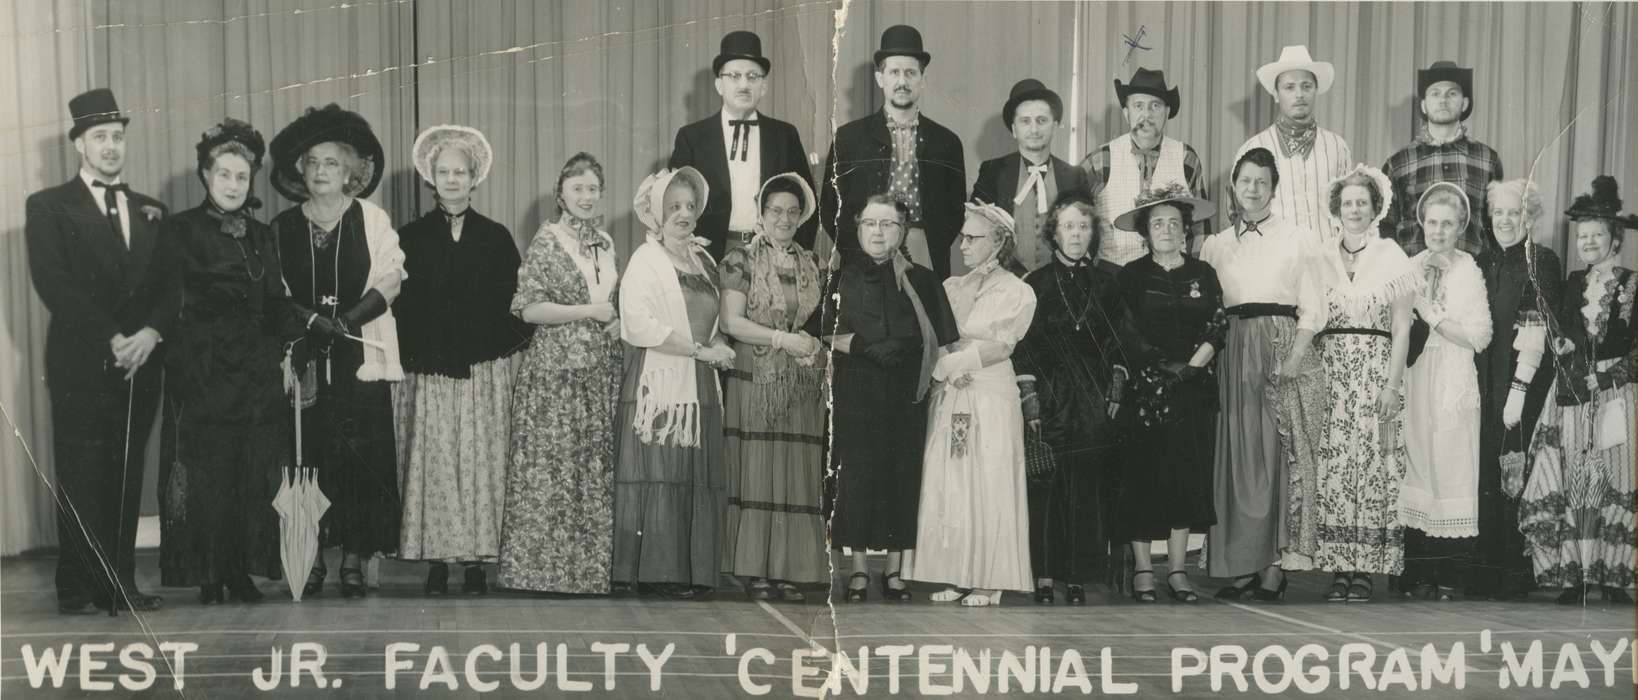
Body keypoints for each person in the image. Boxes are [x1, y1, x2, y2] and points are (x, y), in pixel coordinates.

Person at [26, 88, 171, 614]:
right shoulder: (48, 206)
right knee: (82, 472)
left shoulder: (151, 210)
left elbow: (169, 288)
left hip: (141, 363)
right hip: (82, 361)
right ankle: (78, 584)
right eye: (99, 138)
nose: (111, 147)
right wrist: (113, 337)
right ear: (79, 146)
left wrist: (150, 334)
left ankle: (119, 583)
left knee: (127, 471)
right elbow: (54, 285)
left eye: (117, 137)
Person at [152, 119, 299, 604]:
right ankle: (209, 575)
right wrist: (187, 368)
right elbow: (169, 303)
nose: (233, 185)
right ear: (206, 177)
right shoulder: (180, 230)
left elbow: (275, 299)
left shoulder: (261, 235)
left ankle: (240, 571)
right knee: (208, 477)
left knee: (250, 475)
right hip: (204, 370)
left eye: (242, 177)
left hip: (255, 374)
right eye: (224, 176)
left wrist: (304, 327)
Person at [269, 103, 405, 599]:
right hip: (304, 357)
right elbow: (276, 294)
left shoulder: (371, 218)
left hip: (357, 355)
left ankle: (352, 555)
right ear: (299, 172)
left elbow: (391, 279)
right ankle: (313, 555)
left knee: (357, 458)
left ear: (350, 171)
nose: (321, 171)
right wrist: (310, 322)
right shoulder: (282, 227)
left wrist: (345, 322)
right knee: (309, 457)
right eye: (312, 162)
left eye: (332, 163)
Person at [393, 125, 531, 596]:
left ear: (475, 178)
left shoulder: (495, 237)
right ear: (431, 178)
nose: (452, 180)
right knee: (435, 463)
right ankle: (436, 559)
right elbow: (400, 306)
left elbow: (515, 301)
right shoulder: (409, 237)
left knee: (479, 463)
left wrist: (491, 352)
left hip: (480, 371)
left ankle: (475, 561)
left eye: (461, 172)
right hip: (430, 372)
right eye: (444, 172)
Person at [1200, 147, 1326, 601]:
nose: (1252, 190)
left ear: (1274, 189)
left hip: (1277, 345)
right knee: (1235, 455)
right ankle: (1241, 565)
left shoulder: (1298, 238)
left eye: (1262, 182)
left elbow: (1314, 304)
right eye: (1245, 181)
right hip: (1231, 348)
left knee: (1274, 458)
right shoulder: (1215, 244)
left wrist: (1294, 357)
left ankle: (1273, 565)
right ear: (1233, 185)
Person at [823, 193, 959, 602]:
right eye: (870, 224)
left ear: (902, 232)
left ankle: (896, 571)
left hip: (906, 393)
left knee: (904, 475)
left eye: (888, 225)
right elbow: (823, 330)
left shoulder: (924, 280)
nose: (878, 232)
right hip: (857, 390)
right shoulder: (839, 278)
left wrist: (908, 350)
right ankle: (861, 570)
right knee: (857, 478)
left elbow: (945, 338)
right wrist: (863, 347)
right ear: (858, 228)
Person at [901, 203, 1038, 608]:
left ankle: (989, 580)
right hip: (953, 389)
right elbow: (938, 336)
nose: (963, 244)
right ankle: (959, 573)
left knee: (990, 480)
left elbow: (1003, 344)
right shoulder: (951, 287)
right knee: (954, 481)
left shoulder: (1018, 290)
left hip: (990, 391)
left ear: (999, 243)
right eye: (963, 236)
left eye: (973, 237)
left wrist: (961, 361)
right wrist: (945, 362)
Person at [498, 153, 623, 595]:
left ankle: (587, 573)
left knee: (590, 470)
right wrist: (589, 311)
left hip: (600, 370)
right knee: (552, 468)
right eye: (577, 189)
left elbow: (613, 300)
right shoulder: (546, 241)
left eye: (593, 189)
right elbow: (529, 308)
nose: (586, 197)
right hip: (555, 372)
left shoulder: (605, 242)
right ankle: (540, 572)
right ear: (561, 195)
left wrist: (617, 320)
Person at [612, 166, 736, 598]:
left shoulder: (703, 260)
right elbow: (637, 324)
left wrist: (718, 345)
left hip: (699, 382)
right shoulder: (645, 260)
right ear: (655, 213)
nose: (683, 214)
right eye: (673, 207)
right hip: (660, 385)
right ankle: (654, 571)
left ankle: (690, 572)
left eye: (689, 206)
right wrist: (700, 350)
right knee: (660, 471)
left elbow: (711, 319)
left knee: (691, 474)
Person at [1013, 190, 1135, 605]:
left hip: (1094, 400)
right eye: (1069, 226)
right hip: (1048, 397)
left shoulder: (1109, 283)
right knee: (1046, 488)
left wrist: (1115, 387)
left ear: (1092, 233)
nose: (1077, 234)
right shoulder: (1035, 283)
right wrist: (1030, 401)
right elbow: (1024, 347)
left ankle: (1078, 576)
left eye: (1084, 226)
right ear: (1055, 233)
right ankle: (1045, 576)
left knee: (1086, 490)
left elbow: (1120, 341)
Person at [1520, 175, 1637, 606]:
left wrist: (1609, 377)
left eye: (1597, 235)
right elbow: (1567, 332)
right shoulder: (1572, 282)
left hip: (1617, 393)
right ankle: (1577, 576)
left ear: (1615, 238)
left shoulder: (1633, 284)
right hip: (1572, 390)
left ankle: (1610, 574)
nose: (1588, 242)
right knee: (1574, 478)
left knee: (1614, 478)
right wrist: (1565, 345)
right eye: (1583, 236)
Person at [1310, 165, 1420, 602]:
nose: (1354, 209)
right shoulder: (1320, 257)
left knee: (1375, 466)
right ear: (1337, 209)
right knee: (1335, 466)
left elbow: (1403, 328)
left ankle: (1366, 569)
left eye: (1362, 202)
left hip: (1377, 370)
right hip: (1332, 370)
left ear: (1376, 208)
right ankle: (1339, 568)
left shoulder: (1393, 256)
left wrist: (1392, 385)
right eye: (1347, 202)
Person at [1112, 186, 1226, 604]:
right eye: (1157, 222)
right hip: (1145, 392)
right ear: (1145, 230)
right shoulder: (1131, 275)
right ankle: (1144, 569)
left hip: (1192, 392)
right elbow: (1125, 330)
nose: (1166, 229)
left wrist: (1192, 366)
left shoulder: (1204, 273)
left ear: (1186, 231)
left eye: (1174, 223)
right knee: (1142, 480)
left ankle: (1177, 570)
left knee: (1185, 481)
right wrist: (1162, 367)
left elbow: (1217, 324)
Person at [718, 173, 827, 601]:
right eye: (775, 210)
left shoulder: (812, 263)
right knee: (758, 468)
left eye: (792, 212)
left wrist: (809, 344)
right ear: (761, 214)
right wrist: (781, 338)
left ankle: (789, 569)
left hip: (800, 376)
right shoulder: (738, 260)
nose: (784, 218)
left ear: (802, 218)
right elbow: (730, 323)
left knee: (794, 472)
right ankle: (755, 570)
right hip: (755, 372)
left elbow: (820, 323)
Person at [1399, 182, 1493, 601]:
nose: (1438, 231)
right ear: (1422, 224)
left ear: (1460, 228)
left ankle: (1450, 572)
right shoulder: (1410, 265)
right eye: (1431, 222)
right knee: (1418, 460)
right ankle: (1416, 573)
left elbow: (1479, 336)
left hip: (1452, 373)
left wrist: (1432, 314)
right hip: (1417, 373)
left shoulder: (1468, 269)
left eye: (1447, 224)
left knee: (1452, 462)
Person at [1473, 178, 1562, 600]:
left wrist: (1520, 387)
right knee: (1488, 470)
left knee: (1516, 470)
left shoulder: (1541, 260)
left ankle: (1516, 570)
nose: (1506, 221)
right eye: (1499, 213)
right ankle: (1486, 568)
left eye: (1515, 213)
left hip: (1522, 384)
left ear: (1529, 218)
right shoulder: (1484, 260)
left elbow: (1539, 326)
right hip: (1485, 382)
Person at [821, 25, 966, 278]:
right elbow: (830, 207)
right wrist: (859, 248)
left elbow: (955, 210)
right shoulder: (848, 137)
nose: (902, 81)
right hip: (865, 250)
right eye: (894, 72)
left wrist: (929, 244)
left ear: (923, 79)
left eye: (911, 73)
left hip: (925, 251)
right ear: (880, 78)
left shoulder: (947, 141)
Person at [669, 31, 817, 260]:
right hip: (707, 256)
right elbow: (673, 204)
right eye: (734, 76)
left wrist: (792, 258)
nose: (744, 85)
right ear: (719, 84)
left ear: (764, 86)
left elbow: (808, 205)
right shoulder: (692, 137)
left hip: (772, 253)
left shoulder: (785, 135)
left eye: (752, 76)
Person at [1081, 68, 1209, 271]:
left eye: (1155, 106)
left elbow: (1200, 228)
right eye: (1138, 106)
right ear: (1126, 113)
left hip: (1170, 280)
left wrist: (1191, 277)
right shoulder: (1100, 160)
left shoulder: (1186, 157)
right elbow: (1078, 221)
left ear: (1166, 113)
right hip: (1114, 279)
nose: (1146, 115)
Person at [1381, 61, 1504, 257]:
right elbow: (1384, 229)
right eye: (1435, 93)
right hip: (1415, 276)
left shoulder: (1487, 159)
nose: (1443, 100)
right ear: (1423, 104)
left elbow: (1496, 226)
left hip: (1472, 275)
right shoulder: (1398, 163)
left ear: (1464, 103)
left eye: (1452, 93)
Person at [1234, 46, 1353, 242]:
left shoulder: (1337, 146)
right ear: (1276, 93)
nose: (1299, 94)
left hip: (1328, 261)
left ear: (1316, 90)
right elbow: (1241, 214)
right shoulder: (1252, 149)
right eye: (1289, 87)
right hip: (1276, 263)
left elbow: (1349, 208)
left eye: (1306, 86)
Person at [971, 78, 1089, 271]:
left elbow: (1087, 234)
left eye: (1042, 120)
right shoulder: (992, 171)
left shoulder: (1074, 176)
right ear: (1014, 129)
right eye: (1025, 121)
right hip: (1005, 281)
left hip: (1060, 283)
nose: (1034, 129)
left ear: (1055, 125)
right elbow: (975, 230)